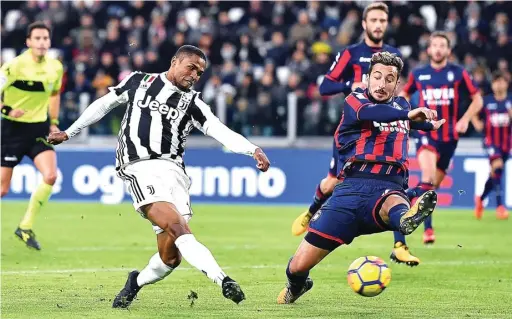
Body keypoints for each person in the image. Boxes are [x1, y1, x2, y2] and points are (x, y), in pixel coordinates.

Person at [48, 45, 270, 307]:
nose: (195, 75)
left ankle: (135, 282)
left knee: (170, 259)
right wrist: (69, 132)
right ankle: (223, 279)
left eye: (200, 72)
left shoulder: (194, 103)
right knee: (179, 228)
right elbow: (104, 104)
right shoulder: (138, 81)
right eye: (191, 67)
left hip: (174, 173)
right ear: (175, 61)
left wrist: (251, 149)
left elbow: (220, 131)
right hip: (139, 166)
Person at [277, 52, 445, 304]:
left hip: (388, 187)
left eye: (390, 79)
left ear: (397, 84)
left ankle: (407, 217)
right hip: (349, 192)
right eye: (377, 77)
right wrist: (408, 117)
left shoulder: (402, 107)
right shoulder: (355, 102)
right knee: (297, 267)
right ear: (367, 78)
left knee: (394, 205)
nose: (382, 83)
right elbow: (375, 114)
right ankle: (297, 286)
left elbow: (404, 119)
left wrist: (427, 125)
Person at [292, 2, 421, 266]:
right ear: (364, 24)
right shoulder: (350, 53)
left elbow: (401, 91)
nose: (378, 25)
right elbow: (325, 86)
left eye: (382, 21)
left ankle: (400, 244)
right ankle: (311, 213)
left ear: (387, 24)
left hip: (386, 128)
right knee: (332, 184)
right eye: (373, 20)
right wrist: (352, 84)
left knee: (392, 185)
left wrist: (409, 115)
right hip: (355, 131)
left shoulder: (393, 54)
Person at [401, 31, 483, 244]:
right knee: (427, 179)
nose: (437, 49)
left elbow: (478, 100)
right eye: (434, 45)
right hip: (426, 133)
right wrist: (405, 113)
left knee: (430, 189)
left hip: (449, 138)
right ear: (428, 50)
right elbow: (404, 95)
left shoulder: (458, 73)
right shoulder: (419, 74)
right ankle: (427, 230)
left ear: (448, 50)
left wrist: (465, 119)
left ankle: (401, 197)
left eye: (441, 45)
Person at [0, 21, 63, 251]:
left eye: (45, 38)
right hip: (12, 131)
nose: (41, 43)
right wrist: (7, 110)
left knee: (51, 176)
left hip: (38, 129)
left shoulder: (55, 67)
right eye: (37, 38)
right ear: (28, 42)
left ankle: (25, 227)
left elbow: (55, 94)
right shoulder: (13, 66)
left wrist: (54, 122)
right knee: (2, 189)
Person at [472, 71, 511, 220]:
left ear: (506, 84)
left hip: (506, 143)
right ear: (493, 85)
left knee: (495, 174)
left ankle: (480, 199)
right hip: (491, 142)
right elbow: (474, 112)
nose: (499, 85)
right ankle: (500, 207)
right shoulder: (487, 101)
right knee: (498, 167)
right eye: (496, 82)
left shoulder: (510, 102)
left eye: (501, 81)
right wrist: (477, 124)